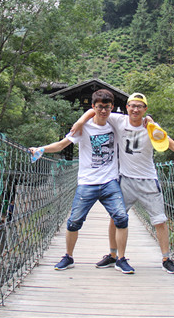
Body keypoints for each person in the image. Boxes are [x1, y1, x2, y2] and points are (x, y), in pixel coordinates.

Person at [72, 92, 174, 274]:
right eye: (132, 105)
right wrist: (79, 122)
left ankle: (166, 258)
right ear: (127, 107)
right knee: (116, 217)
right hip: (125, 180)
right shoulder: (119, 120)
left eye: (139, 106)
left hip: (148, 180)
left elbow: (171, 144)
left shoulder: (152, 127)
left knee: (159, 220)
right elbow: (96, 109)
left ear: (145, 109)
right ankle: (113, 255)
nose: (135, 109)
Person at [29, 89, 134, 274]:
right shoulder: (83, 128)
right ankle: (68, 256)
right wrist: (41, 149)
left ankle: (121, 259)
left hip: (110, 181)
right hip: (87, 182)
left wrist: (150, 122)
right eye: (99, 107)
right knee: (74, 222)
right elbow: (62, 144)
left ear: (112, 108)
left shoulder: (115, 124)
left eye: (107, 107)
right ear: (93, 107)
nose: (103, 111)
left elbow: (135, 117)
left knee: (121, 217)